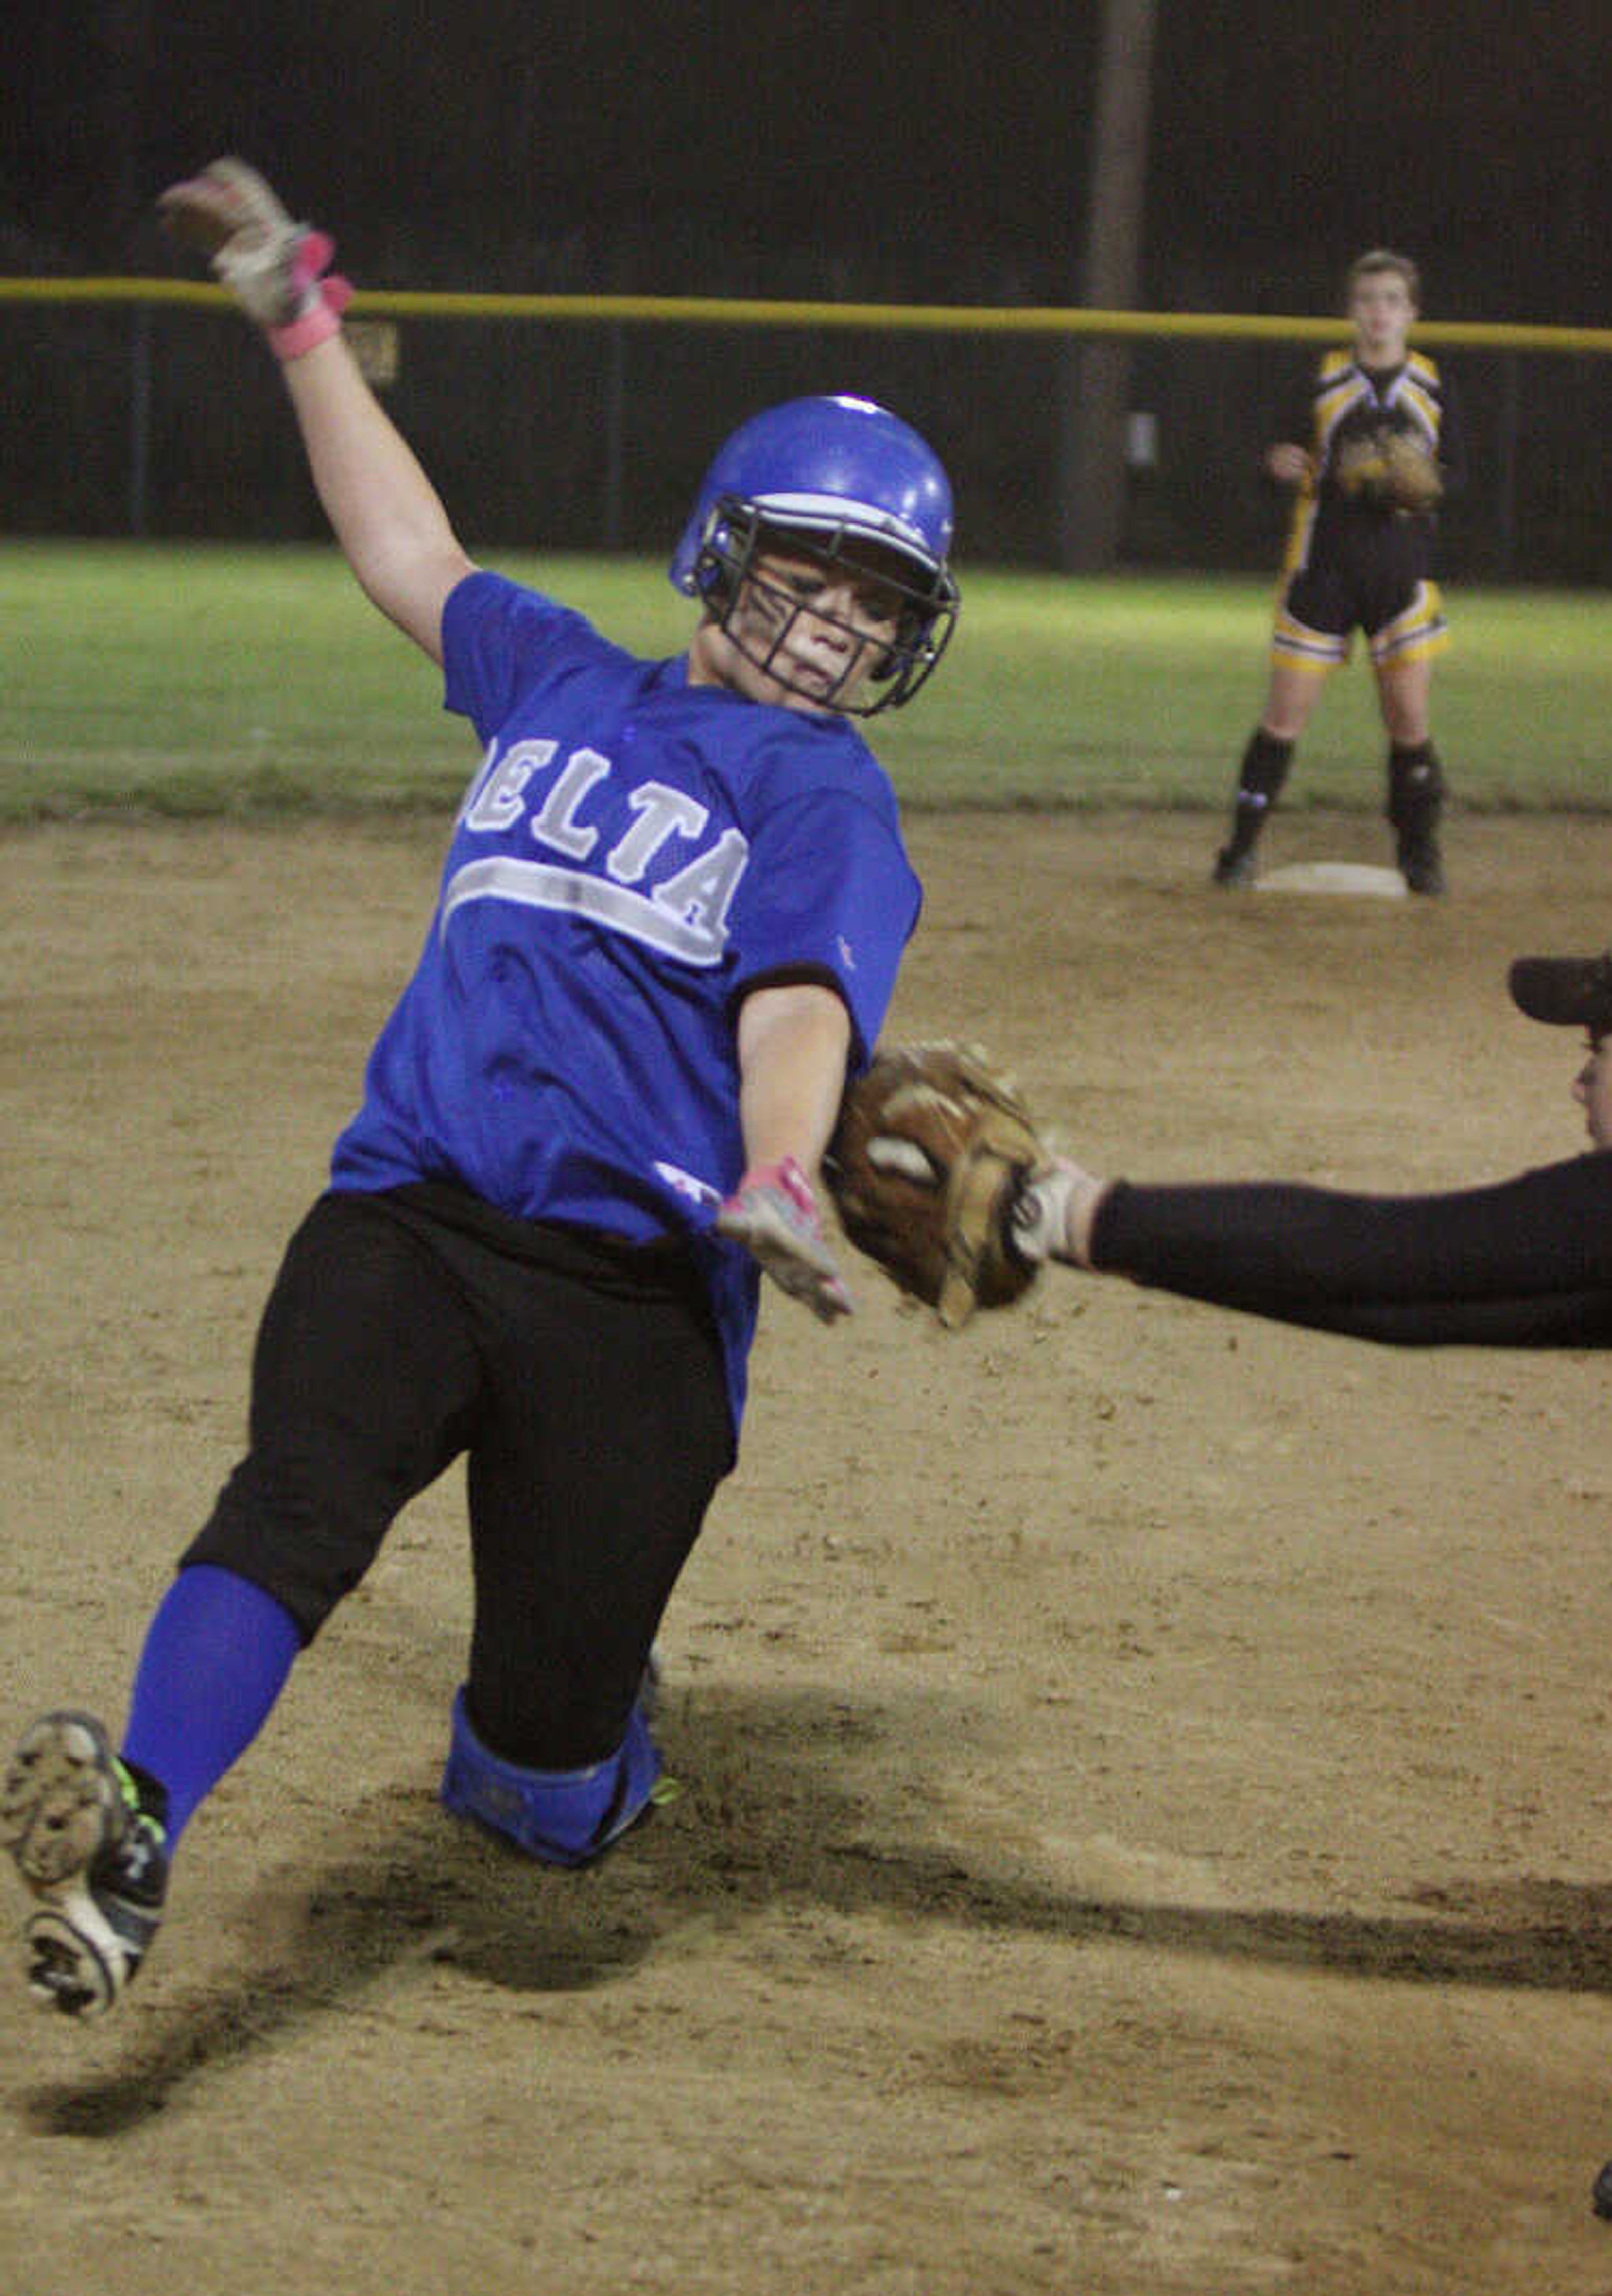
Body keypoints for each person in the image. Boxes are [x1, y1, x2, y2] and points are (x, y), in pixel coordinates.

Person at [0, 159, 960, 2020]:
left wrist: (780, 1172)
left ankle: (575, 1753)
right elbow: (406, 546)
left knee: (537, 1783)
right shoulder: (557, 678)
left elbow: (794, 1006)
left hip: (632, 1298)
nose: (837, 621)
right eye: (812, 569)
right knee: (296, 1495)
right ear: (724, 547)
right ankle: (138, 1816)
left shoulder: (824, 799)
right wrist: (296, 316)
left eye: (879, 598)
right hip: (416, 1214)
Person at [1012, 882, 1612, 2252]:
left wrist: (1072, 1210)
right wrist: (1091, 1237)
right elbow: (1407, 1298)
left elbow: (1388, 1245)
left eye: (1605, 1050)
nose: (1583, 1080)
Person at [1212, 249, 1460, 895]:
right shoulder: (1320, 383)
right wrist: (1278, 466)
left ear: (1411, 313)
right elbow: (1274, 458)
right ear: (1352, 312)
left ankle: (1421, 856)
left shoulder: (1433, 388)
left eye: (1391, 301)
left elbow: (1460, 477)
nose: (1378, 313)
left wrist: (1423, 486)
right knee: (1282, 719)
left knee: (1409, 723)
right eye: (1367, 300)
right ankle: (1238, 850)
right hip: (1322, 573)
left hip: (1401, 576)